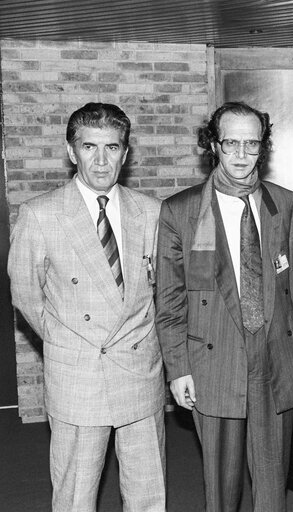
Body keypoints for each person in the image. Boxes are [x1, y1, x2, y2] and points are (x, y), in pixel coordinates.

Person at [8, 103, 165, 511]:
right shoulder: (40, 214)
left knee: (149, 490)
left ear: (126, 153)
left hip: (138, 367)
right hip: (78, 373)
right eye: (89, 146)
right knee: (76, 492)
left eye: (112, 147)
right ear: (70, 151)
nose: (101, 160)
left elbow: (163, 291)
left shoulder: (151, 212)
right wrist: (67, 340)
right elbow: (25, 294)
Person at [154, 102, 293, 512]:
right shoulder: (181, 211)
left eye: (251, 144)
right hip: (212, 361)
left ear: (263, 148)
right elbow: (169, 301)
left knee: (273, 485)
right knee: (221, 490)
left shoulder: (285, 203)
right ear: (213, 145)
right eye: (231, 143)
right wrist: (178, 368)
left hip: (275, 359)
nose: (241, 155)